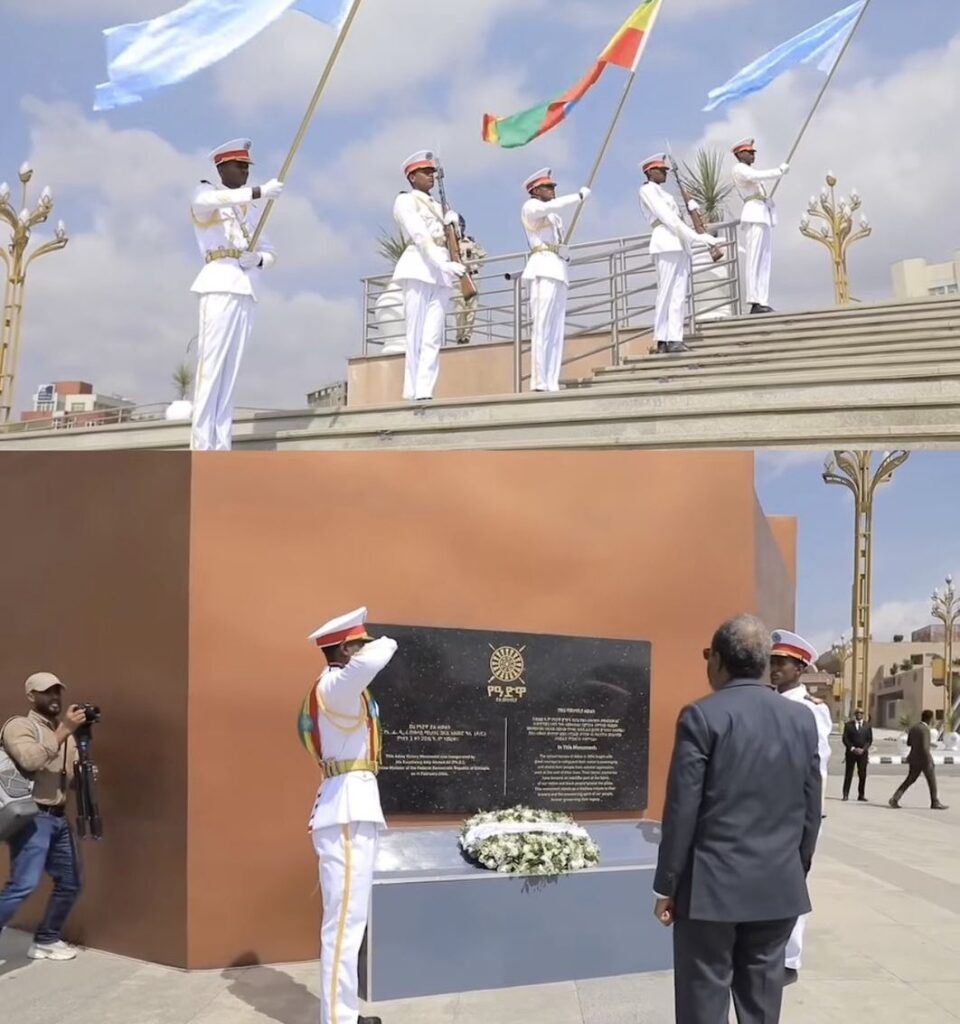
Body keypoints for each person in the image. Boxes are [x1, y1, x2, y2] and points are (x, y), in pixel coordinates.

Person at [654, 614, 822, 1024]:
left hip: (711, 892)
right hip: (777, 886)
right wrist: (794, 868)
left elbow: (682, 810)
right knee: (762, 1002)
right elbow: (810, 807)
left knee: (703, 1001)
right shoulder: (801, 719)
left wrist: (667, 885)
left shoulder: (701, 716)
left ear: (720, 661)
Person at [301, 607, 399, 1024]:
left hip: (352, 807)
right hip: (344, 811)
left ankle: (344, 1012)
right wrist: (382, 641)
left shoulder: (343, 688)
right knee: (342, 925)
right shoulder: (336, 685)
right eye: (359, 643)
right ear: (345, 649)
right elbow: (383, 653)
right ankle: (338, 1021)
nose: (367, 649)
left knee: (349, 921)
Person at [190, 138, 283, 451]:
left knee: (230, 373)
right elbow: (206, 204)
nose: (245, 171)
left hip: (246, 284)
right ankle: (202, 445)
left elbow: (270, 253)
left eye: (247, 167)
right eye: (239, 166)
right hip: (218, 281)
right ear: (222, 168)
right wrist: (259, 191)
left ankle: (221, 443)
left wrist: (256, 259)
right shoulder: (205, 192)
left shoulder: (250, 210)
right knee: (211, 367)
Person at [0, 673, 86, 961]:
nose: (54, 698)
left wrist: (84, 775)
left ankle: (47, 939)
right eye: (46, 692)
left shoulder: (65, 733)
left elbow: (67, 777)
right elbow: (31, 760)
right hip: (31, 817)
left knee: (71, 882)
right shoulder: (19, 726)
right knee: (23, 884)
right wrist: (63, 731)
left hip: (59, 818)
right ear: (30, 696)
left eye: (57, 692)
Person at [769, 629, 832, 981]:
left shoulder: (811, 710)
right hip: (770, 809)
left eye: (783, 663)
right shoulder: (768, 701)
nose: (774, 668)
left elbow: (816, 769)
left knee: (794, 881)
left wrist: (812, 820)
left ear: (800, 668)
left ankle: (789, 959)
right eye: (772, 661)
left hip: (798, 812)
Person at [392, 151, 466, 401]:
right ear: (412, 177)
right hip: (419, 265)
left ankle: (425, 391)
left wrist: (456, 224)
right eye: (426, 173)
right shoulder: (405, 201)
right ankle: (411, 390)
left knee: (433, 335)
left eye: (433, 173)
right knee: (415, 333)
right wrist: (441, 263)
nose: (431, 177)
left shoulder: (440, 205)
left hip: (442, 270)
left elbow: (454, 239)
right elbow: (420, 235)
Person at [638, 154, 720, 354]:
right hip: (665, 241)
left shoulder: (667, 195)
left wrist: (692, 208)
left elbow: (679, 219)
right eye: (661, 170)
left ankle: (674, 338)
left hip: (679, 244)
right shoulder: (647, 190)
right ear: (649, 171)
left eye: (665, 170)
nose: (665, 173)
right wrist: (697, 238)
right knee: (665, 292)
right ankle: (661, 339)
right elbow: (668, 219)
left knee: (678, 295)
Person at [520, 169, 590, 392]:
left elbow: (556, 238)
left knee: (556, 330)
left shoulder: (554, 217)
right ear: (535, 190)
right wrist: (578, 197)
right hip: (541, 269)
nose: (553, 190)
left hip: (557, 269)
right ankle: (539, 380)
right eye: (548, 187)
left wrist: (564, 253)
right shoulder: (531, 207)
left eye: (553, 187)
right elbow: (550, 206)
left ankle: (551, 379)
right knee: (541, 328)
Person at [731, 139, 789, 315]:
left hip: (763, 215)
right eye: (749, 152)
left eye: (753, 152)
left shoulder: (752, 170)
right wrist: (778, 172)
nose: (752, 154)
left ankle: (762, 299)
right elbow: (753, 177)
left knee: (764, 260)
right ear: (740, 154)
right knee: (754, 260)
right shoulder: (739, 169)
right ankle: (754, 300)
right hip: (753, 214)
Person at [889, 710, 948, 810]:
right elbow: (925, 748)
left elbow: (909, 743)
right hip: (924, 760)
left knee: (909, 780)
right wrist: (929, 760)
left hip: (913, 758)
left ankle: (895, 798)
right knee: (932, 781)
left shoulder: (914, 727)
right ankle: (935, 802)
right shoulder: (925, 729)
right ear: (930, 719)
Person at [454, 216, 486, 345]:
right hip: (459, 278)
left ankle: (466, 336)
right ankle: (460, 335)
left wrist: (474, 264)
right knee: (459, 308)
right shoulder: (451, 244)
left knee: (471, 309)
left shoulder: (471, 242)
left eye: (460, 226)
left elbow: (483, 256)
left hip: (472, 276)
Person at [842, 708, 873, 802]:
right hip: (851, 753)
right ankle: (845, 794)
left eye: (861, 713)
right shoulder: (848, 725)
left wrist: (863, 749)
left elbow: (869, 740)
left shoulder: (867, 725)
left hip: (862, 754)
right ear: (855, 714)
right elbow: (845, 739)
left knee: (862, 774)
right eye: (857, 713)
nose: (859, 714)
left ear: (863, 714)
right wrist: (853, 748)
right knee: (849, 774)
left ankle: (861, 795)